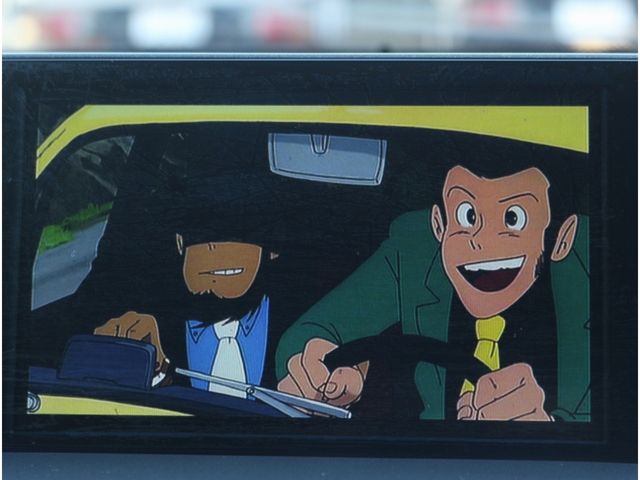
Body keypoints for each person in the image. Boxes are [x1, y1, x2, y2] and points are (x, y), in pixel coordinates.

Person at [275, 164, 590, 421]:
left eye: (513, 219)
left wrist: (546, 428)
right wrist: (317, 370)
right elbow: (314, 330)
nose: (481, 242)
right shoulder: (415, 251)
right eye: (468, 216)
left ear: (563, 237)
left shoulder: (592, 273)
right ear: (439, 224)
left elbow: (610, 414)